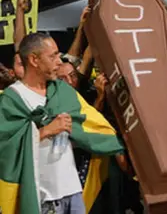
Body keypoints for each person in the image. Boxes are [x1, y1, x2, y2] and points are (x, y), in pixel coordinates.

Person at [0, 33, 123, 213]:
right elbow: (6, 148)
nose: (59, 61)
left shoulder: (62, 91)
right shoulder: (12, 100)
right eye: (53, 56)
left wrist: (118, 146)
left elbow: (91, 122)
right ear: (34, 59)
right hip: (43, 197)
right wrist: (45, 131)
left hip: (72, 191)